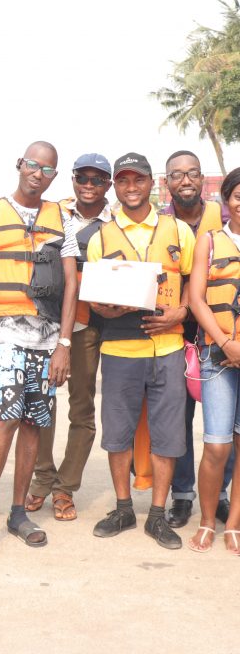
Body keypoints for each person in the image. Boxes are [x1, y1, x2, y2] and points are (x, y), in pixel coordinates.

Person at [0, 141, 78, 560]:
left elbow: (71, 284)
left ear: (54, 176)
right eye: (32, 164)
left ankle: (17, 513)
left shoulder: (62, 218)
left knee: (34, 423)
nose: (37, 173)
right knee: (8, 415)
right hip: (4, 333)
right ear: (19, 164)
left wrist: (64, 344)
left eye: (47, 169)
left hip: (48, 338)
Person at [87, 152, 194, 550]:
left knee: (168, 434)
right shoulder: (100, 237)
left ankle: (157, 515)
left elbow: (192, 281)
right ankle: (123, 508)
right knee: (117, 434)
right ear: (115, 186)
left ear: (153, 183)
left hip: (168, 347)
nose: (131, 188)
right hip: (120, 348)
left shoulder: (177, 230)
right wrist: (106, 308)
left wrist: (182, 310)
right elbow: (95, 297)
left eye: (138, 180)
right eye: (123, 180)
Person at [26, 153, 112, 520]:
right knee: (42, 402)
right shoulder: (53, 213)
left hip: (87, 324)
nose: (89, 185)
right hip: (46, 321)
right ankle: (42, 477)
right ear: (73, 179)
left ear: (108, 184)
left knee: (82, 406)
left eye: (97, 179)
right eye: (83, 178)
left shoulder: (116, 222)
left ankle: (66, 486)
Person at [161, 150, 233, 529]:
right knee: (179, 418)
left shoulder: (225, 218)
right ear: (167, 182)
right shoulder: (160, 224)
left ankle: (218, 493)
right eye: (177, 175)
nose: (185, 180)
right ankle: (183, 494)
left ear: (203, 179)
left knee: (226, 423)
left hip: (221, 334)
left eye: (192, 173)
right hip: (174, 334)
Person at [187, 167, 240, 553]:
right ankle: (207, 520)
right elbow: (196, 298)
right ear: (227, 200)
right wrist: (225, 342)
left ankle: (233, 524)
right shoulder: (208, 241)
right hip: (217, 357)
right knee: (218, 445)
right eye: (238, 196)